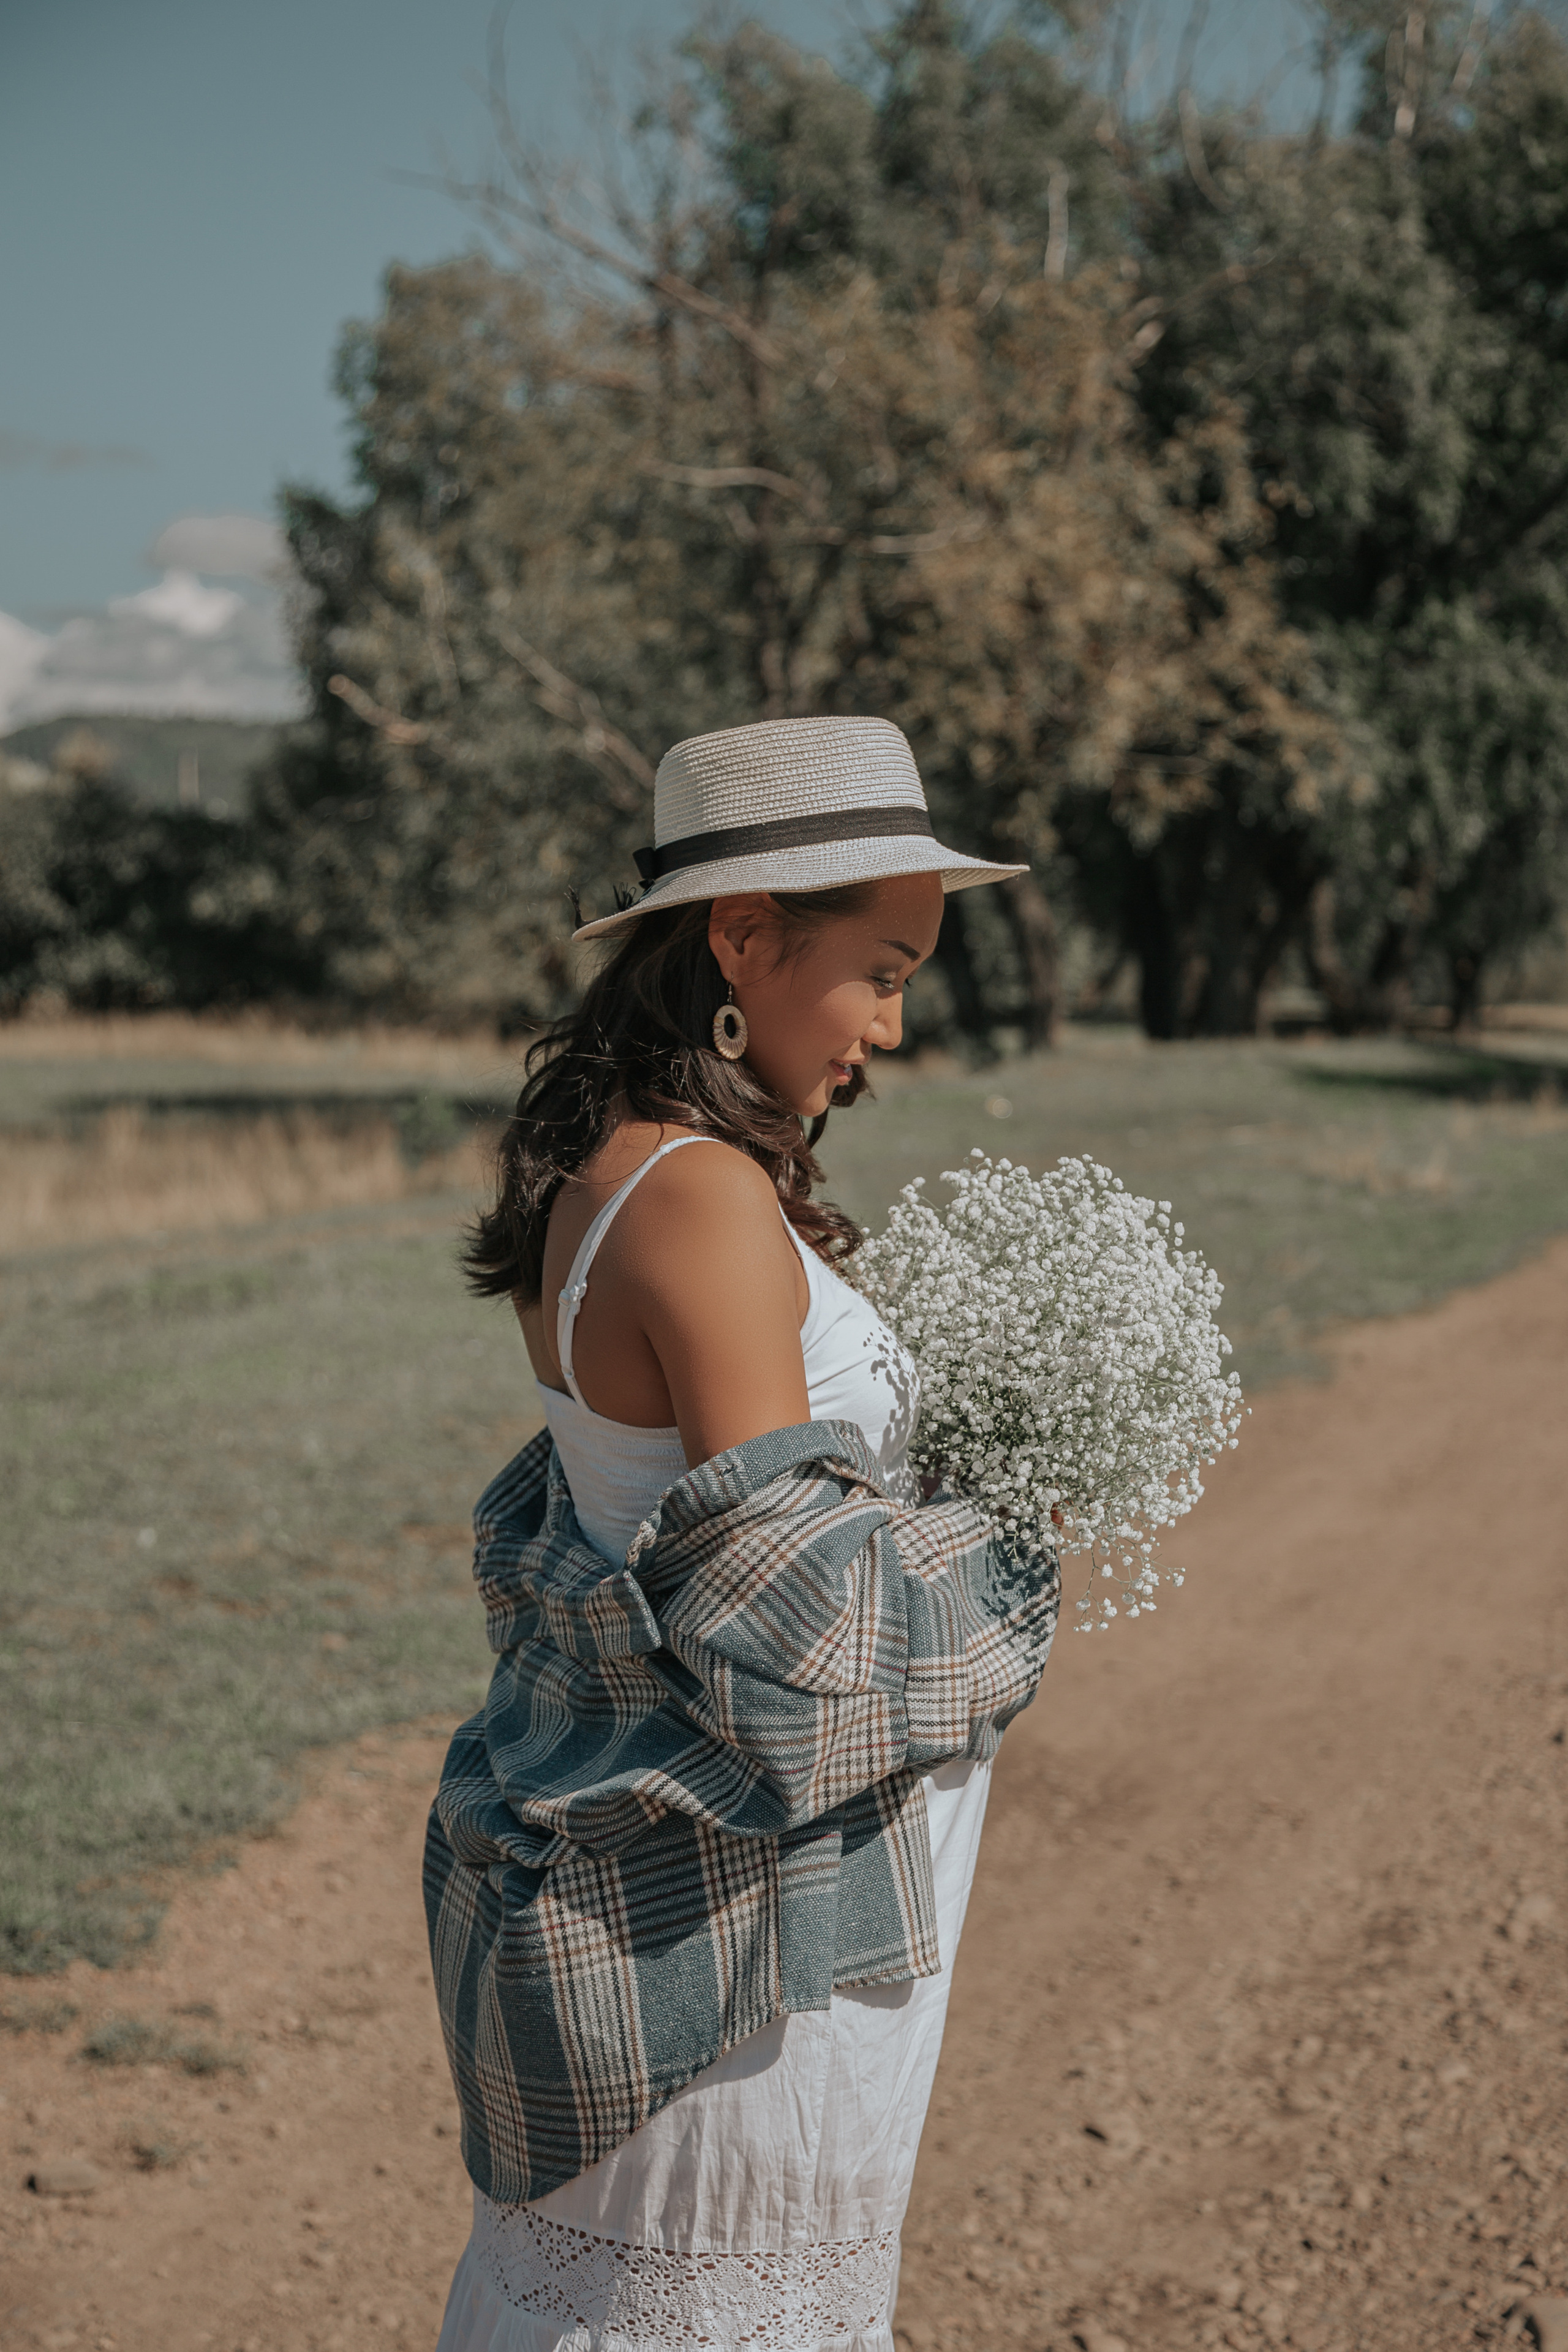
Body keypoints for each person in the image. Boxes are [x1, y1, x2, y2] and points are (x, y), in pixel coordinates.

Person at [426, 715, 1061, 2352]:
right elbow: (795, 1635)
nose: (896, 1024)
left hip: (725, 1894)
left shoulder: (630, 1172)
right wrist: (1020, 1551)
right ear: (745, 932)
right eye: (884, 966)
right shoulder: (698, 1197)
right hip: (751, 1931)